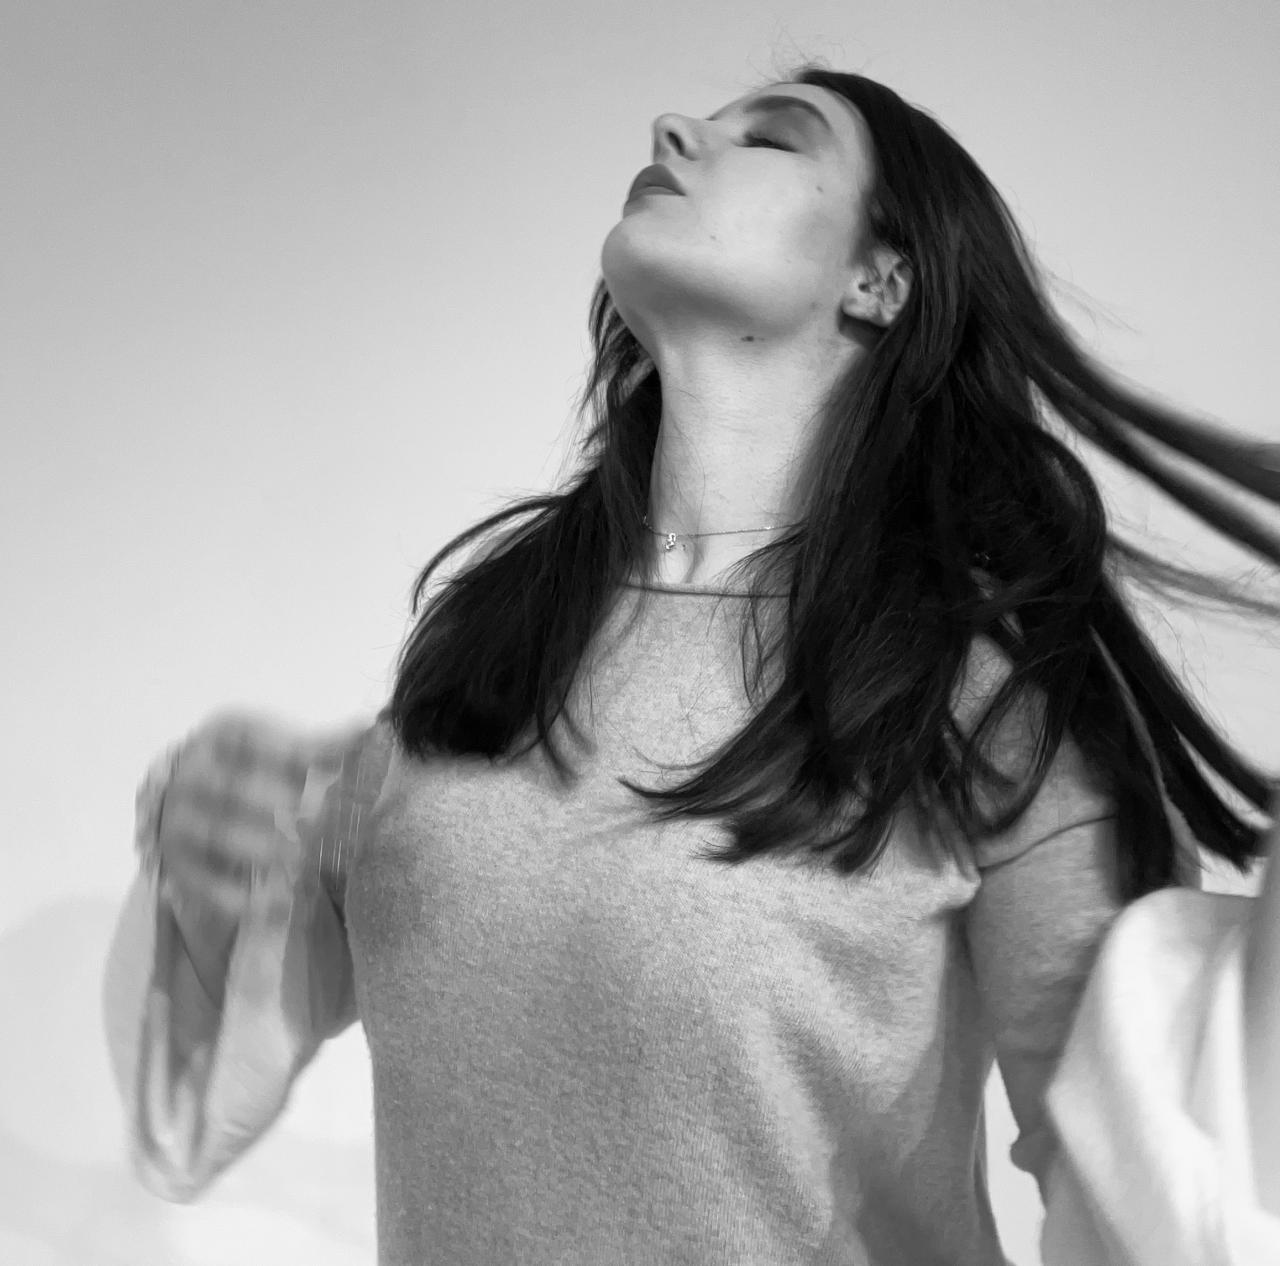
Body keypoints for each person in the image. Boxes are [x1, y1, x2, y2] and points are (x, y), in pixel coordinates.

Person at [105, 65, 1280, 1263]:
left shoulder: (986, 695)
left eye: (771, 138)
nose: (673, 127)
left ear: (879, 279)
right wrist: (211, 852)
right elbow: (191, 1104)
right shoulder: (489, 649)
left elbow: (1160, 1177)